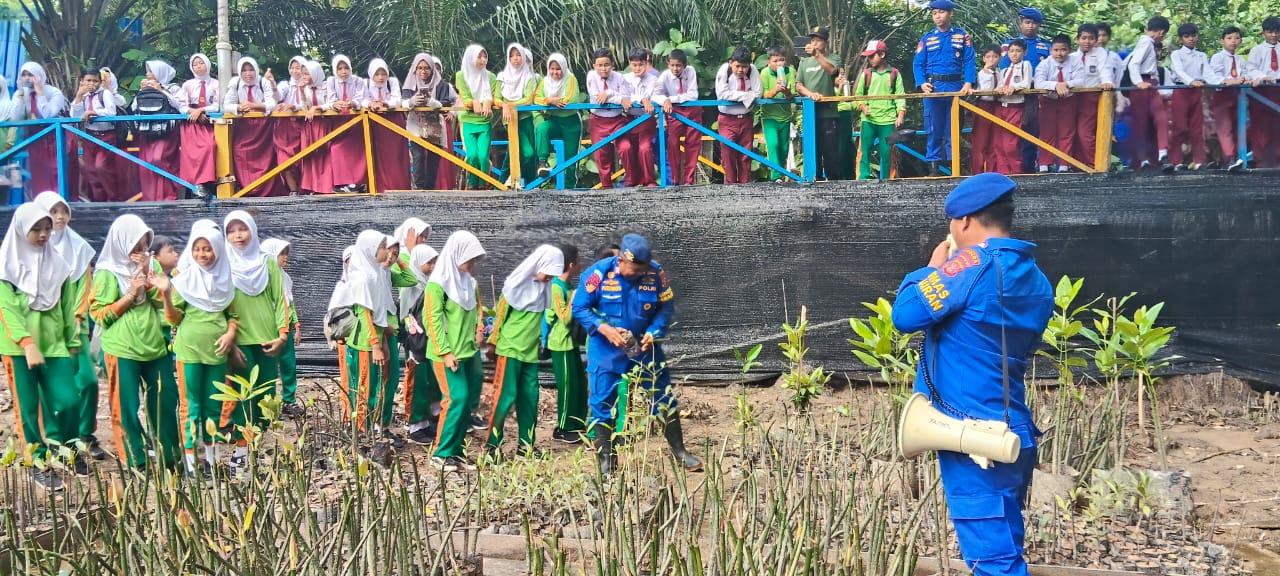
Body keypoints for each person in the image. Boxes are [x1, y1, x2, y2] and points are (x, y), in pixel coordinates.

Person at [890, 173, 1052, 576]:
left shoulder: (970, 266)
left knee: (994, 564)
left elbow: (905, 314)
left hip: (973, 439)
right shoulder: (1036, 278)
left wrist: (931, 269)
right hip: (1012, 429)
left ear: (963, 222)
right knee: (1007, 543)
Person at [571, 233, 700, 475]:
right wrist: (603, 328)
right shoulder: (598, 274)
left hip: (644, 348)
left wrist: (654, 331)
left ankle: (680, 452)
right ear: (621, 260)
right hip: (606, 350)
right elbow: (580, 307)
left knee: (663, 398)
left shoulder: (654, 273)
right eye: (635, 270)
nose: (641, 274)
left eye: (644, 270)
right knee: (602, 403)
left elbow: (666, 306)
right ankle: (607, 463)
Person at [91, 214, 182, 471]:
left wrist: (147, 277)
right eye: (136, 246)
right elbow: (98, 314)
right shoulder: (108, 274)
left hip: (154, 345)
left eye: (144, 246)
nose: (141, 252)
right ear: (122, 243)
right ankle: (135, 459)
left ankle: (170, 456)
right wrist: (130, 294)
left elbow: (161, 300)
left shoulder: (149, 268)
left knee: (165, 399)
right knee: (126, 406)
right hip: (122, 350)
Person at [0, 203, 79, 489]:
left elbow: (67, 306)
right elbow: (6, 309)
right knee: (28, 408)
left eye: (47, 228)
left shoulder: (58, 264)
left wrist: (72, 342)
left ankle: (64, 445)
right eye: (37, 229)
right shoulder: (6, 266)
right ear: (22, 229)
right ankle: (37, 461)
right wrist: (26, 343)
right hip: (19, 348)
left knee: (69, 400)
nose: (44, 234)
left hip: (54, 343)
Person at [159, 221, 237, 477]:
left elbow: (233, 315)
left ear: (217, 250)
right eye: (197, 249)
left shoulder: (226, 281)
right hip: (189, 351)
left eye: (207, 249)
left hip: (216, 352)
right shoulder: (185, 281)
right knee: (190, 406)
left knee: (213, 405)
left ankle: (212, 462)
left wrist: (230, 333)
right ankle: (192, 463)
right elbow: (173, 319)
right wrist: (167, 296)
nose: (202, 254)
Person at [31, 192, 103, 460]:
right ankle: (55, 438)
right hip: (45, 329)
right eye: (53, 211)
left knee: (87, 381)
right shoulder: (33, 251)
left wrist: (77, 318)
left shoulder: (79, 248)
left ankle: (84, 434)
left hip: (75, 326)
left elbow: (85, 289)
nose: (59, 217)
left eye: (63, 211)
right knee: (48, 385)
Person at [222, 210, 290, 469]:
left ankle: (256, 448)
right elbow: (219, 303)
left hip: (268, 340)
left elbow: (280, 299)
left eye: (243, 229)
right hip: (239, 341)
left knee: (266, 396)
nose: (238, 235)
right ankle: (240, 453)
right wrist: (229, 340)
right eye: (232, 230)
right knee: (242, 398)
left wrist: (283, 335)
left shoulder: (266, 262)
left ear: (252, 230)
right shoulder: (224, 264)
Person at [486, 245, 565, 458]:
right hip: (510, 350)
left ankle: (526, 446)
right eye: (548, 272)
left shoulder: (543, 288)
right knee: (504, 397)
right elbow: (500, 315)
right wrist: (493, 343)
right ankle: (492, 447)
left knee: (530, 398)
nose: (550, 277)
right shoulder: (515, 286)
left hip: (529, 353)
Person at [424, 231, 487, 472]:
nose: (472, 265)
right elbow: (433, 321)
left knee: (466, 403)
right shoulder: (437, 285)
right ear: (457, 254)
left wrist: (479, 329)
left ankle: (456, 452)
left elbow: (477, 311)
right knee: (455, 399)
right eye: (469, 259)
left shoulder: (470, 283)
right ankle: (441, 453)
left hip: (468, 352)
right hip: (446, 355)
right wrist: (446, 352)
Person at [330, 230, 397, 436]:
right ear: (370, 249)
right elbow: (365, 313)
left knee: (375, 388)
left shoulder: (374, 274)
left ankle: (369, 431)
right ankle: (360, 434)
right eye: (383, 247)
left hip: (373, 342)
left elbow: (379, 313)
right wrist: (375, 345)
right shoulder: (362, 278)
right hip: (363, 345)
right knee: (365, 390)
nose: (387, 252)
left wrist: (382, 341)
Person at [913, 0, 976, 176]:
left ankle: (954, 167)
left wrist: (968, 82)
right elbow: (918, 63)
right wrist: (921, 82)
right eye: (934, 13)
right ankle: (933, 169)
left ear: (951, 14)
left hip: (955, 87)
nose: (938, 16)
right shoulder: (927, 38)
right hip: (933, 88)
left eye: (941, 12)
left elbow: (970, 60)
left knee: (953, 129)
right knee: (933, 129)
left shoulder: (962, 36)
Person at [1001, 7, 1051, 173]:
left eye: (1034, 23)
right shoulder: (1010, 45)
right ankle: (1014, 169)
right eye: (1027, 22)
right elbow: (1003, 68)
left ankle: (1030, 168)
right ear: (1020, 23)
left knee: (1033, 129)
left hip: (1035, 95)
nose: (1030, 26)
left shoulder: (1045, 46)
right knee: (1011, 133)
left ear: (1039, 25)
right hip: (1012, 96)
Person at [546, 244, 588, 443]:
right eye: (578, 261)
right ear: (571, 264)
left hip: (571, 343)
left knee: (579, 383)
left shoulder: (567, 285)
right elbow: (563, 317)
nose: (580, 265)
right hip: (560, 344)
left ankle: (577, 423)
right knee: (567, 387)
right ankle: (563, 428)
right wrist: (573, 299)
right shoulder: (556, 286)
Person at [796, 26, 849, 180]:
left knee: (831, 154)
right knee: (813, 151)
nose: (814, 43)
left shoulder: (834, 58)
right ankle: (814, 183)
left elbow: (833, 71)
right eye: (812, 40)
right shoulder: (804, 62)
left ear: (825, 43)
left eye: (818, 40)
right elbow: (798, 85)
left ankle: (834, 185)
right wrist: (811, 94)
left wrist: (817, 55)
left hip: (829, 113)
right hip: (810, 114)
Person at [223, 57, 282, 197]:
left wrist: (254, 105)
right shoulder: (235, 83)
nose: (248, 74)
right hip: (244, 126)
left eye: (251, 70)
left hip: (263, 127)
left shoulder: (264, 82)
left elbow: (272, 103)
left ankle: (265, 190)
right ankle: (246, 188)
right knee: (239, 152)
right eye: (244, 70)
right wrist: (239, 107)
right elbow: (226, 105)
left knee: (266, 156)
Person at [401, 244, 441, 444]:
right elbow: (406, 314)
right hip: (416, 343)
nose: (433, 266)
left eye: (435, 261)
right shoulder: (412, 285)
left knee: (428, 382)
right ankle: (414, 425)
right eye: (429, 262)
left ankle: (426, 422)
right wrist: (415, 334)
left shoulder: (429, 283)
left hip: (427, 342)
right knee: (416, 384)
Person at [9, 63, 67, 196]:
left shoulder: (53, 92)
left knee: (56, 173)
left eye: (30, 75)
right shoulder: (21, 93)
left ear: (39, 76)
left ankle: (60, 204)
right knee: (39, 176)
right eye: (23, 75)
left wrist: (40, 94)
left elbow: (48, 115)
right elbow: (15, 118)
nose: (27, 78)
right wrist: (21, 99)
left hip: (55, 138)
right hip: (34, 140)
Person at [261, 238, 303, 417]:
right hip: (268, 328)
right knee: (267, 367)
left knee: (288, 365)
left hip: (285, 328)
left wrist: (296, 326)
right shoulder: (262, 278)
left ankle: (289, 401)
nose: (286, 257)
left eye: (287, 253)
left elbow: (289, 304)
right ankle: (267, 404)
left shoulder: (285, 278)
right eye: (282, 253)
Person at [854, 40, 907, 180]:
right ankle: (863, 178)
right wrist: (863, 107)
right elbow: (858, 95)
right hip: (869, 119)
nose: (870, 59)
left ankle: (888, 180)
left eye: (872, 56)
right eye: (868, 57)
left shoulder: (894, 74)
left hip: (888, 119)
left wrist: (900, 115)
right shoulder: (866, 74)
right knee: (864, 151)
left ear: (882, 54)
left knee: (887, 152)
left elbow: (900, 96)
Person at [403, 53, 457, 189]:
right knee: (418, 156)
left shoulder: (441, 85)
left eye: (427, 68)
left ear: (432, 69)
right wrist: (412, 101)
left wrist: (432, 102)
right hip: (416, 126)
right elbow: (402, 101)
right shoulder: (409, 85)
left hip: (435, 126)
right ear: (415, 69)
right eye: (420, 68)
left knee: (434, 159)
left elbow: (447, 101)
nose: (423, 71)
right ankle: (420, 188)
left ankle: (429, 189)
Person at [1126, 16, 1172, 171]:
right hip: (1143, 85)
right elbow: (1134, 64)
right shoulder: (1145, 42)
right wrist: (1138, 82)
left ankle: (1162, 153)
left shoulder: (1149, 44)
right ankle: (1142, 159)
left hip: (1151, 84)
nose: (1162, 38)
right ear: (1160, 32)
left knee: (1160, 117)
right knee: (1141, 122)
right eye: (1163, 35)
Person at [70, 67, 121, 203]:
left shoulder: (104, 94)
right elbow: (74, 116)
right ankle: (99, 202)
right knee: (91, 170)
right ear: (82, 81)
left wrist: (94, 113)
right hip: (89, 137)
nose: (92, 84)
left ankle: (113, 200)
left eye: (95, 81)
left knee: (102, 167)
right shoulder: (84, 96)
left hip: (106, 136)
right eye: (88, 80)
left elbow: (111, 112)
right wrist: (79, 96)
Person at [1033, 35, 1082, 173]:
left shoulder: (1075, 61)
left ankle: (1064, 164)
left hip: (1068, 100)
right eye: (1055, 50)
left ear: (1069, 50)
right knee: (1046, 132)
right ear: (1050, 50)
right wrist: (1055, 85)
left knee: (1066, 132)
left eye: (1063, 50)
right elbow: (1039, 82)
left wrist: (1065, 84)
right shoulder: (1045, 64)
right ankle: (1044, 163)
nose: (1059, 53)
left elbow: (1081, 80)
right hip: (1048, 101)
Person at [586, 48, 635, 189]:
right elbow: (597, 98)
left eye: (606, 65)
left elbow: (627, 96)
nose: (603, 68)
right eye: (600, 65)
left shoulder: (619, 77)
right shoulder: (591, 76)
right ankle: (607, 187)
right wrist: (619, 98)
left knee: (626, 147)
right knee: (601, 155)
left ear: (612, 64)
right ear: (594, 66)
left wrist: (609, 92)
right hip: (598, 120)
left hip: (617, 120)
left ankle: (630, 182)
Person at [534, 53, 584, 188]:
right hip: (554, 120)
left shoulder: (570, 79)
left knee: (571, 158)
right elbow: (536, 98)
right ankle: (543, 163)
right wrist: (549, 100)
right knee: (542, 128)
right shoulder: (545, 82)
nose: (555, 72)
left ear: (563, 67)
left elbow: (571, 99)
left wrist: (554, 103)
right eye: (552, 69)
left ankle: (569, 188)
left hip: (571, 122)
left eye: (558, 69)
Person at [714, 47, 763, 185]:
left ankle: (745, 184)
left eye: (744, 67)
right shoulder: (725, 70)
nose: (741, 70)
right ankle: (730, 184)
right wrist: (746, 96)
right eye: (738, 66)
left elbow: (758, 93)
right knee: (728, 152)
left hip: (746, 119)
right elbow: (722, 94)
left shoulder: (753, 70)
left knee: (745, 154)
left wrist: (737, 96)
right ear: (731, 63)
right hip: (727, 119)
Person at [362, 58, 411, 192]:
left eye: (383, 74)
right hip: (375, 123)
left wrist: (386, 104)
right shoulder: (365, 83)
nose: (380, 77)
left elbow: (397, 99)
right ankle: (378, 188)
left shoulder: (392, 82)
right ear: (371, 74)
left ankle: (399, 186)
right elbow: (362, 99)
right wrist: (371, 104)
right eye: (377, 74)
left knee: (396, 155)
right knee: (378, 155)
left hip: (393, 121)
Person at [1069, 24, 1115, 167]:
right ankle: (1075, 165)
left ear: (1096, 40)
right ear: (1077, 39)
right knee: (1072, 132)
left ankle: (1093, 165)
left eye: (1091, 38)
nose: (1087, 41)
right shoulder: (1072, 56)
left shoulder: (1100, 53)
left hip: (1091, 97)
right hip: (1072, 97)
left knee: (1085, 132)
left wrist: (1107, 82)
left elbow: (1105, 70)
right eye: (1083, 38)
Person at [654, 49, 701, 185]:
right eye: (672, 65)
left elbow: (693, 95)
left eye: (678, 65)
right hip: (675, 112)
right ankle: (675, 180)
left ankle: (688, 181)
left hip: (692, 111)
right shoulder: (664, 76)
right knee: (673, 144)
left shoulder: (690, 71)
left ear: (684, 65)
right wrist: (665, 101)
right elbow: (655, 95)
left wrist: (671, 99)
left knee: (693, 145)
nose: (675, 68)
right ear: (668, 64)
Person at [456, 45, 500, 190]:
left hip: (484, 122)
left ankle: (483, 184)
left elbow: (494, 97)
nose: (483, 60)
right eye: (479, 57)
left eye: (485, 56)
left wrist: (488, 101)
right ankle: (472, 183)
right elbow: (466, 97)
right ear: (471, 58)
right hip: (468, 121)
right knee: (472, 155)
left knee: (482, 156)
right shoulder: (461, 75)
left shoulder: (491, 76)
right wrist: (474, 102)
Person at [179, 54, 221, 197]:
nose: (198, 66)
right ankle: (196, 184)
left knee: (210, 146)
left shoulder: (216, 84)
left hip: (209, 123)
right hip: (193, 124)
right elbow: (181, 105)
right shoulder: (187, 85)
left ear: (207, 64)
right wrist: (193, 111)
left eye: (201, 63)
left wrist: (202, 110)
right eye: (195, 64)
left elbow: (217, 105)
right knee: (193, 153)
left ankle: (208, 181)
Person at [497, 43, 539, 186]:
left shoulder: (529, 77)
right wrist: (504, 105)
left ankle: (518, 183)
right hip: (510, 120)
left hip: (526, 118)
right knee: (527, 153)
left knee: (516, 153)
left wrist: (509, 104)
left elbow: (527, 99)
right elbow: (497, 98)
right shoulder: (502, 76)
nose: (515, 58)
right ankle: (510, 181)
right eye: (512, 55)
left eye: (518, 54)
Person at [1207, 26, 1248, 171]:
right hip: (1222, 94)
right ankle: (1230, 158)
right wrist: (1230, 81)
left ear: (1241, 40)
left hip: (1237, 95)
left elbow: (1246, 74)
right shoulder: (1217, 57)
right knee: (1224, 128)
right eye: (1229, 38)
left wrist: (1245, 79)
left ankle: (1236, 158)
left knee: (1238, 126)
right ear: (1222, 41)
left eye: (1237, 38)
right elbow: (1214, 77)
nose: (1233, 41)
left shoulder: (1241, 59)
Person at [1169, 23, 1209, 171]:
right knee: (1179, 127)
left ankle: (1199, 161)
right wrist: (1192, 81)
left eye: (1193, 35)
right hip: (1181, 90)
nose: (1191, 39)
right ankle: (1176, 162)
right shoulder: (1176, 54)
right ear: (1181, 39)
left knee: (1197, 127)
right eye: (1187, 36)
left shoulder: (1201, 55)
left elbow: (1208, 73)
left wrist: (1220, 82)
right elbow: (1179, 71)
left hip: (1197, 91)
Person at [327, 55, 369, 192]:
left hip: (356, 120)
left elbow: (362, 97)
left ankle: (358, 182)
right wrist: (335, 104)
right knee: (337, 149)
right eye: (340, 69)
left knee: (357, 151)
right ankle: (342, 183)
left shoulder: (358, 81)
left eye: (346, 68)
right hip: (339, 121)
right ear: (335, 70)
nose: (343, 72)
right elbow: (330, 98)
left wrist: (354, 103)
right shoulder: (331, 81)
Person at [270, 56, 310, 196]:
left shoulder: (310, 85)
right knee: (284, 159)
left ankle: (305, 187)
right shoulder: (285, 85)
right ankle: (293, 190)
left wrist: (295, 106)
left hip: (304, 125)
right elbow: (277, 96)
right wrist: (273, 85)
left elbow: (309, 104)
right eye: (292, 67)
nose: (294, 70)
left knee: (304, 158)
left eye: (298, 67)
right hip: (285, 128)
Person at [1245, 17, 1280, 168]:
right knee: (1260, 125)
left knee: (1277, 124)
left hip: (1278, 88)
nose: (1273, 35)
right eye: (1270, 32)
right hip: (1261, 89)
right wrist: (1261, 77)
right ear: (1263, 33)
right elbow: (1250, 69)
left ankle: (1276, 159)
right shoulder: (1257, 50)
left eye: (1277, 32)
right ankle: (1260, 160)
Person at [995, 40, 1034, 174]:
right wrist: (999, 88)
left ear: (1024, 52)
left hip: (1015, 107)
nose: (1014, 54)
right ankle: (1003, 172)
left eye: (1018, 51)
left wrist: (1014, 87)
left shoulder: (1026, 65)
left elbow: (1026, 83)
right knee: (999, 143)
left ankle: (1016, 172)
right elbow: (999, 85)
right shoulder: (1005, 70)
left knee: (1010, 144)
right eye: (1011, 51)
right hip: (1002, 106)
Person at [295, 61, 333, 195]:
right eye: (303, 74)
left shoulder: (326, 86)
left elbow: (332, 103)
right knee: (311, 155)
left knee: (325, 154)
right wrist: (301, 91)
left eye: (307, 74)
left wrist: (317, 108)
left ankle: (326, 186)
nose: (305, 77)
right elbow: (304, 107)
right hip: (310, 125)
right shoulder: (304, 88)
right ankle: (311, 186)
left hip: (324, 124)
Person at [623, 48, 660, 187]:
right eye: (634, 65)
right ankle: (631, 180)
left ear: (646, 62)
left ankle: (649, 181)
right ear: (629, 63)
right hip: (628, 120)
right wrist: (643, 99)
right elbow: (624, 96)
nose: (637, 68)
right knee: (627, 149)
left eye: (641, 64)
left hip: (646, 120)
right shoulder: (625, 79)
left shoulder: (654, 80)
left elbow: (656, 98)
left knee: (645, 149)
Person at [758, 47, 795, 183]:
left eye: (782, 60)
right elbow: (764, 95)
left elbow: (792, 95)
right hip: (769, 117)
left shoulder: (790, 71)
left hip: (785, 116)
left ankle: (783, 172)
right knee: (773, 144)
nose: (779, 63)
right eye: (775, 61)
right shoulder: (765, 73)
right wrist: (775, 90)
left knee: (784, 148)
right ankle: (776, 176)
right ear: (769, 62)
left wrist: (786, 91)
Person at [973, 47, 1002, 174]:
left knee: (994, 140)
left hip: (997, 105)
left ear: (1000, 58)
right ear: (984, 58)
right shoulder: (981, 73)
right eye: (988, 57)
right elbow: (983, 88)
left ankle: (992, 170)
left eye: (995, 57)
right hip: (983, 105)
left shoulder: (1000, 73)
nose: (992, 59)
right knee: (981, 141)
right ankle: (977, 171)